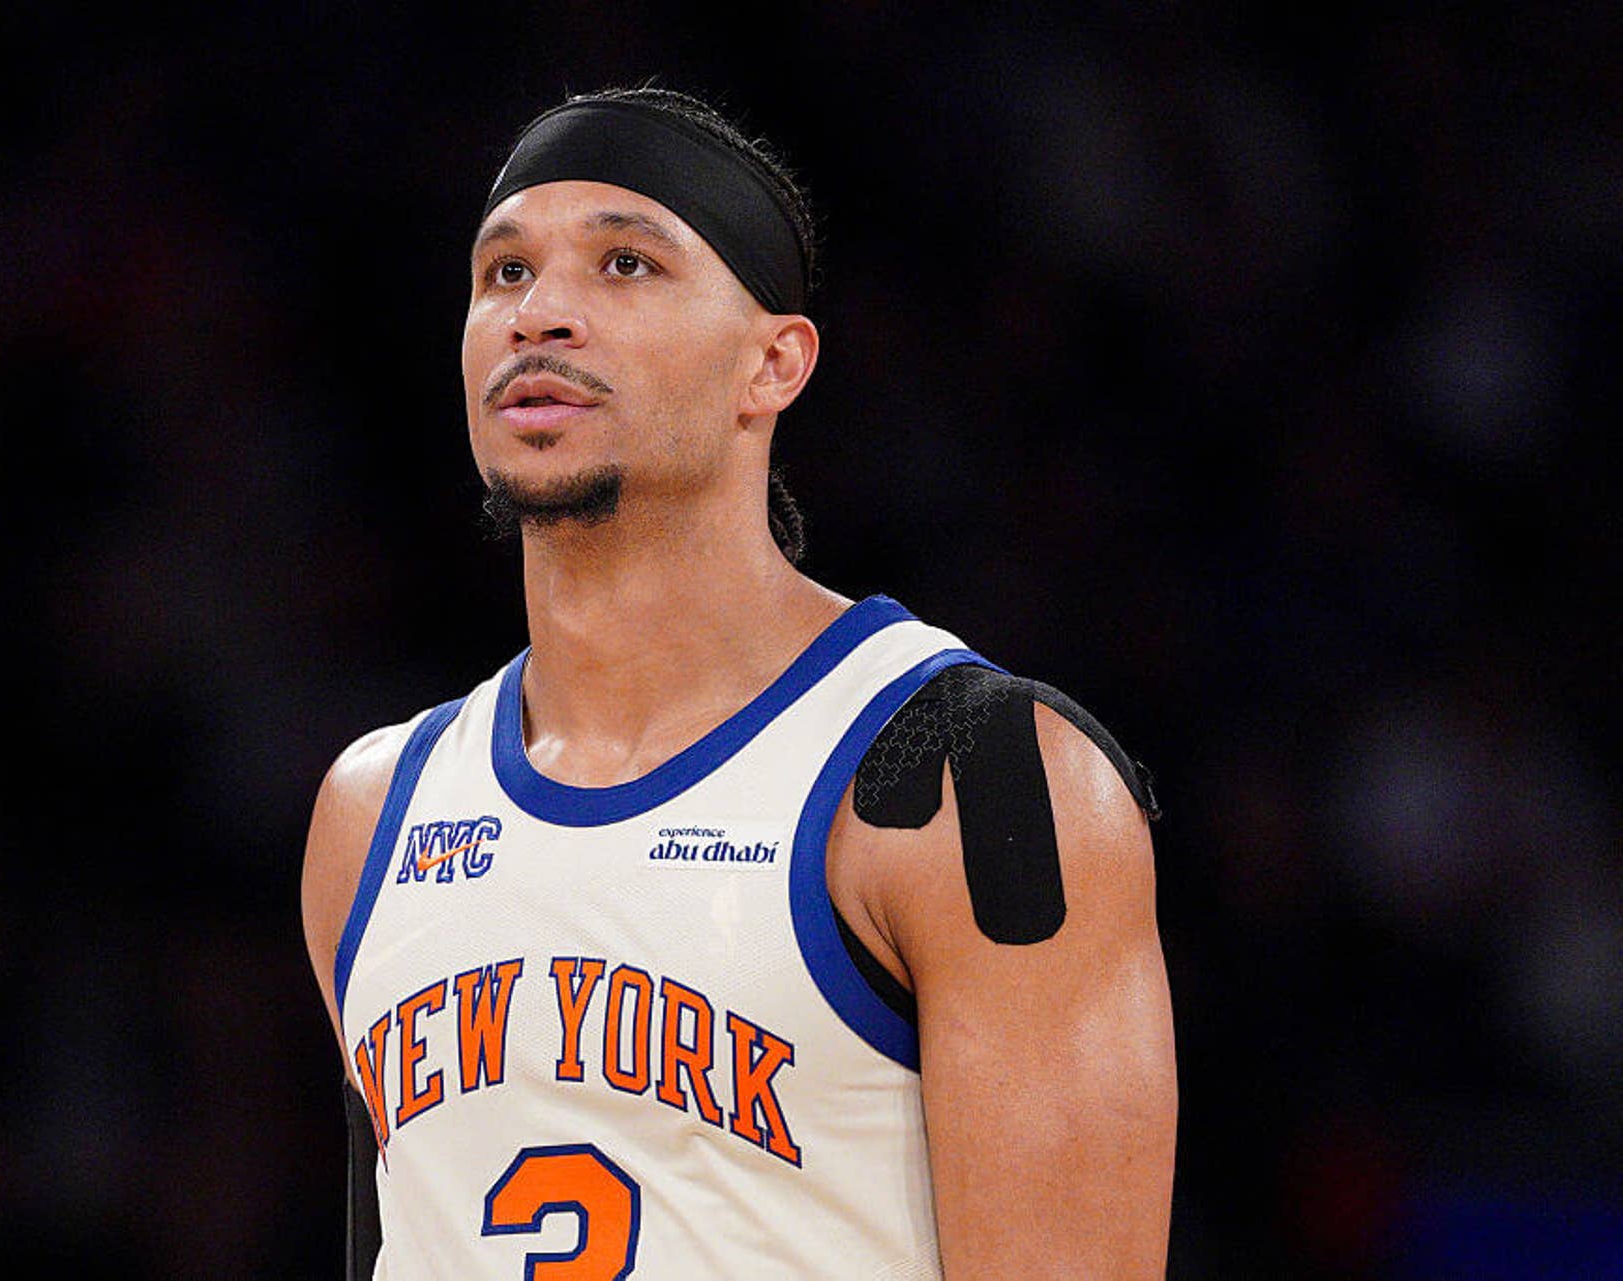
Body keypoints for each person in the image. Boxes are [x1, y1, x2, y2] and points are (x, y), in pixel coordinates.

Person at [302, 85, 1176, 1278]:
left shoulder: (971, 782)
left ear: (772, 365)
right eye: (504, 273)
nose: (539, 314)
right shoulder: (374, 812)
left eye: (625, 264)